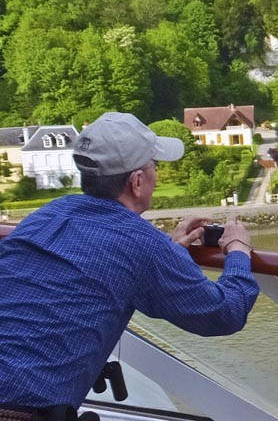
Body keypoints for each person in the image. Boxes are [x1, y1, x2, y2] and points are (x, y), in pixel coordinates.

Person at [0, 112, 259, 419]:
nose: (157, 174)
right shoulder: (142, 244)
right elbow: (224, 314)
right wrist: (238, 249)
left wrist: (169, 249)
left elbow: (84, 266)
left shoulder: (47, 215)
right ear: (137, 181)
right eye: (154, 166)